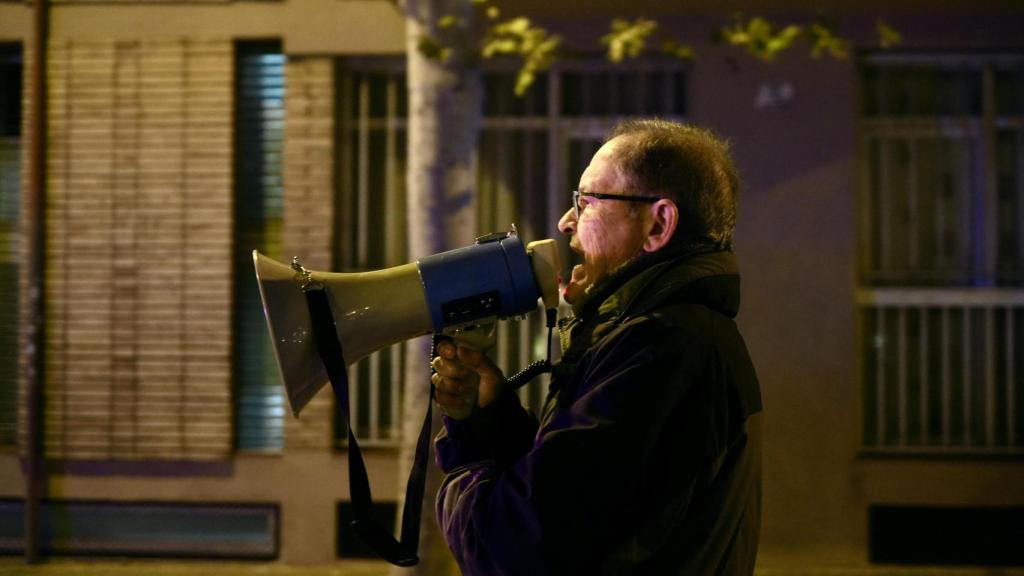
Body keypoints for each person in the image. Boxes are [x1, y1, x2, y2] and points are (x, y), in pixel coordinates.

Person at [431, 119, 763, 575]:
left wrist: (469, 464)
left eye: (586, 202)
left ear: (658, 223)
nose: (565, 222)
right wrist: (489, 421)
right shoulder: (669, 338)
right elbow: (585, 506)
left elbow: (512, 546)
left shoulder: (662, 348)